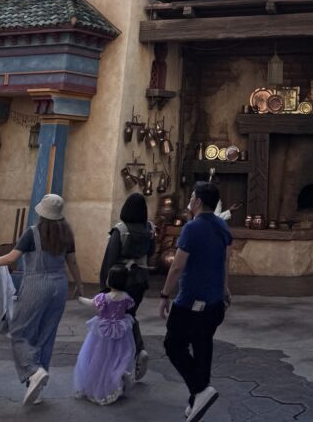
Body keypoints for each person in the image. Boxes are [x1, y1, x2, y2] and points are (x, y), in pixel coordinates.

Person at [0, 193, 81, 404]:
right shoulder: (67, 234)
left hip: (36, 284)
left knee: (20, 331)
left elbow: (12, 258)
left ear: (42, 213)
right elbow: (73, 262)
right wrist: (79, 283)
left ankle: (33, 371)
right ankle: (37, 389)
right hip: (60, 285)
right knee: (46, 335)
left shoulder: (32, 233)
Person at [160, 181, 232, 422]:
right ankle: (196, 401)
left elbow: (177, 265)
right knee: (203, 347)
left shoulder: (192, 228)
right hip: (214, 304)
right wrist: (224, 288)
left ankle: (200, 390)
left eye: (192, 196)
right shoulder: (222, 225)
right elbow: (224, 261)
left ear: (199, 201)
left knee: (173, 345)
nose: (190, 200)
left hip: (191, 302)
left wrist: (164, 294)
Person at [99, 192, 155, 379]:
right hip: (140, 279)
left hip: (120, 279)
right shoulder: (149, 229)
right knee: (129, 315)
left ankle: (124, 359)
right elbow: (152, 251)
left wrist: (104, 285)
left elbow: (110, 257)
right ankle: (138, 352)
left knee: (118, 319)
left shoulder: (120, 230)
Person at [73, 264, 136, 405]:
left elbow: (91, 304)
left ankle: (100, 385)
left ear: (110, 280)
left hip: (102, 333)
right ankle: (117, 378)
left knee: (98, 359)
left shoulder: (103, 297)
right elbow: (129, 308)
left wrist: (80, 298)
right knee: (117, 357)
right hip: (121, 330)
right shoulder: (127, 297)